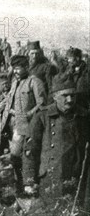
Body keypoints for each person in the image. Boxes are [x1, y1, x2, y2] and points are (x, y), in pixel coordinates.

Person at [23, 74, 89, 213]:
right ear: (54, 96)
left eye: (73, 95)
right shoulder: (43, 116)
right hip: (50, 179)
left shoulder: (84, 116)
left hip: (77, 179)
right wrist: (29, 180)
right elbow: (30, 150)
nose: (70, 100)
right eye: (65, 96)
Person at [0, 55, 46, 194]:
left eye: (18, 68)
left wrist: (29, 114)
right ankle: (20, 185)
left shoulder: (35, 82)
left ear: (26, 67)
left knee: (30, 157)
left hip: (31, 128)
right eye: (13, 68)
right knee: (15, 157)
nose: (15, 71)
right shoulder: (14, 83)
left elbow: (42, 104)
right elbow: (10, 100)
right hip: (17, 127)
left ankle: (32, 186)